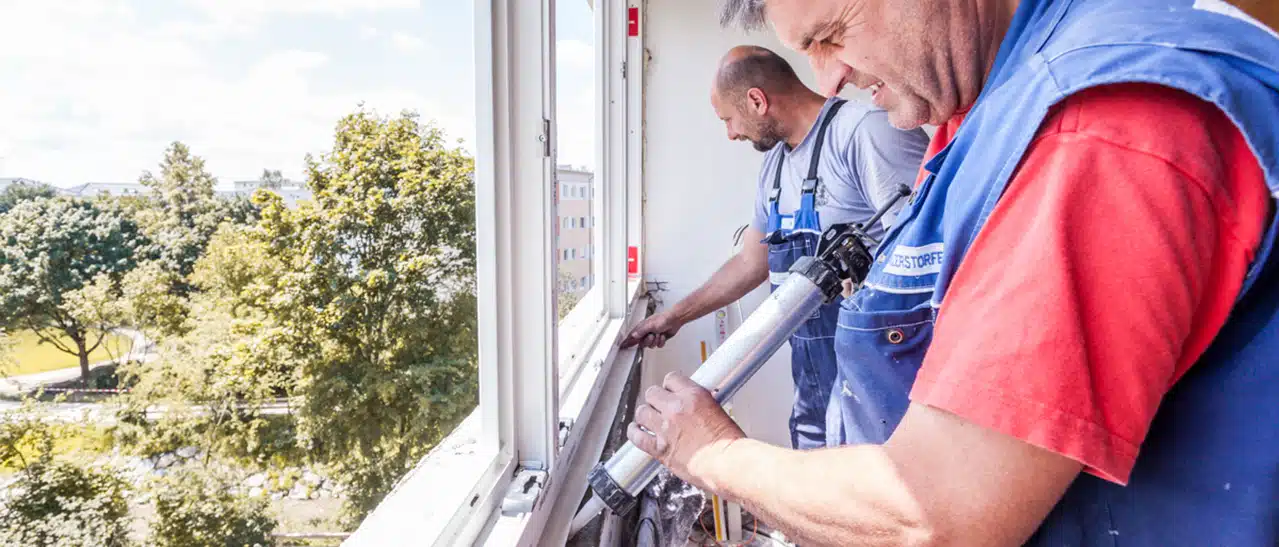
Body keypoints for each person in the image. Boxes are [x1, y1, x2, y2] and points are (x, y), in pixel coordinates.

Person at [627, 0, 1279, 545]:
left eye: (832, 34)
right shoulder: (982, 101)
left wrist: (714, 453)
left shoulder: (1097, 129)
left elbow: (937, 512)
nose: (829, 80)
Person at [620, 45, 928, 451]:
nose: (730, 133)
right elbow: (753, 261)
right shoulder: (775, 167)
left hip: (883, 393)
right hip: (815, 389)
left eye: (729, 119)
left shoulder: (865, 130)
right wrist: (675, 316)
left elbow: (925, 260)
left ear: (756, 100)